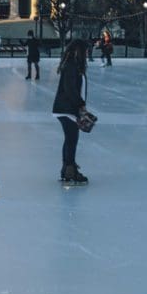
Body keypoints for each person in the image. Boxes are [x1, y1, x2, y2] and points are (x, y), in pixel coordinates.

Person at [52, 39, 90, 185]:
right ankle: (69, 169)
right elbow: (70, 89)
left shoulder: (73, 65)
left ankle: (68, 168)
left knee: (70, 139)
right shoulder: (72, 66)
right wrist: (80, 105)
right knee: (71, 139)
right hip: (67, 109)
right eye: (86, 50)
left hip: (67, 108)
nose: (87, 53)